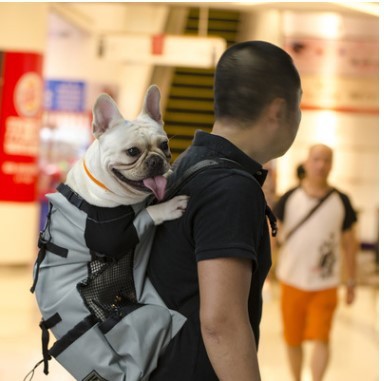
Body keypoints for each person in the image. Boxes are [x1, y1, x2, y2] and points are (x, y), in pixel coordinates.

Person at [147, 40, 302, 381]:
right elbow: (221, 323)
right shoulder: (231, 188)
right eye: (299, 104)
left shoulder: (188, 164)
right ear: (278, 110)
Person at [273, 144, 359, 381]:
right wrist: (264, 272)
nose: (321, 165)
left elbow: (350, 244)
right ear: (307, 163)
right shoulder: (289, 197)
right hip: (292, 280)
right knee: (293, 338)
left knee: (322, 337)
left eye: (327, 160)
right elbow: (273, 237)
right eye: (317, 159)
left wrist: (351, 281)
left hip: (326, 283)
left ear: (332, 165)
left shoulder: (342, 200)